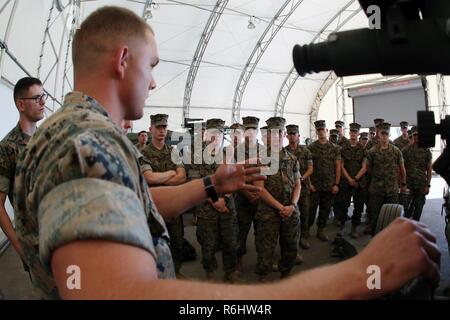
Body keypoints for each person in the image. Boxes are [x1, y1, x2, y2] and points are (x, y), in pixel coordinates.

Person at [14, 6, 440, 300]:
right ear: (124, 60)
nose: (155, 83)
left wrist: (210, 183)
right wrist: (358, 276)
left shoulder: (85, 134)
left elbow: (137, 202)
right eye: (154, 65)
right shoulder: (84, 143)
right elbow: (122, 294)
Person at [0, 77, 46, 259]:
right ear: (21, 105)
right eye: (36, 98)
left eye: (43, 96)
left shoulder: (47, 137)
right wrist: (20, 248)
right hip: (34, 244)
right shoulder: (7, 148)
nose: (42, 102)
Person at [192, 119, 240, 282]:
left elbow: (235, 182)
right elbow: (196, 183)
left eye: (219, 134)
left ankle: (230, 271)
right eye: (212, 134)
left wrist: (224, 200)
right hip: (207, 209)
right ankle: (209, 272)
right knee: (208, 244)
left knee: (230, 242)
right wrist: (215, 201)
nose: (215, 137)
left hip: (227, 208)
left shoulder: (229, 155)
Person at [254, 117, 301, 282]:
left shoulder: (292, 158)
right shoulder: (260, 159)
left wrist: (292, 205)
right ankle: (263, 279)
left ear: (285, 135)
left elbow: (298, 184)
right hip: (269, 211)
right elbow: (259, 189)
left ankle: (285, 275)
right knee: (266, 249)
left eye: (280, 133)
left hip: (290, 210)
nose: (276, 136)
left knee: (290, 247)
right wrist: (281, 207)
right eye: (273, 133)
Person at [141, 114, 187, 278]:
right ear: (150, 129)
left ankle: (177, 273)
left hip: (173, 206)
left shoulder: (173, 151)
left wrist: (160, 180)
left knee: (176, 242)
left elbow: (182, 177)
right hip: (153, 208)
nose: (161, 131)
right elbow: (149, 178)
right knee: (153, 243)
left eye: (164, 127)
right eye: (158, 127)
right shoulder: (143, 152)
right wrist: (170, 173)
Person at [234, 116, 263, 273]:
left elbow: (267, 174)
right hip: (242, 197)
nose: (250, 132)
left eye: (253, 129)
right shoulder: (236, 152)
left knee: (262, 231)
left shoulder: (264, 150)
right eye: (248, 129)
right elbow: (232, 177)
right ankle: (238, 261)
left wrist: (258, 193)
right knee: (240, 231)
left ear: (257, 131)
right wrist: (247, 193)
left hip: (260, 197)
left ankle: (263, 260)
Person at [366, 122, 407, 233]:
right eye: (382, 134)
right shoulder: (372, 151)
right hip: (376, 190)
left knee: (392, 217)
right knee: (375, 216)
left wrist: (403, 184)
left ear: (389, 135)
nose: (384, 136)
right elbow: (368, 169)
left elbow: (402, 169)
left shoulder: (396, 151)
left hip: (391, 189)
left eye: (386, 134)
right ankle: (376, 240)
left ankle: (390, 241)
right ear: (378, 134)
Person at [307, 120, 341, 241]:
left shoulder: (335, 148)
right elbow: (308, 168)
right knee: (310, 210)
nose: (321, 132)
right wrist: (309, 184)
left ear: (326, 131)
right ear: (316, 132)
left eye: (323, 130)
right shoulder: (311, 148)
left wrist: (336, 184)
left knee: (325, 209)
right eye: (319, 130)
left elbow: (338, 167)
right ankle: (305, 231)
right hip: (315, 185)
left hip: (329, 184)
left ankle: (321, 230)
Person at [334, 123, 368, 238]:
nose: (353, 134)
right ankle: (342, 226)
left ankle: (354, 228)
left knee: (358, 206)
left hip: (359, 181)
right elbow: (341, 166)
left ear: (358, 134)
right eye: (352, 132)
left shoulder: (363, 149)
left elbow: (364, 166)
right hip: (346, 181)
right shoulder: (343, 148)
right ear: (349, 133)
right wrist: (349, 179)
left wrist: (356, 178)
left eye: (355, 132)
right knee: (344, 205)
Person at [285, 124, 313, 250]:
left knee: (305, 212)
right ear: (286, 136)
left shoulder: (305, 151)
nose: (292, 136)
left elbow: (311, 168)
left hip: (303, 187)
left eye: (294, 134)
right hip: (289, 188)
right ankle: (292, 238)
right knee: (291, 214)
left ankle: (304, 236)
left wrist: (301, 179)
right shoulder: (284, 151)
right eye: (289, 134)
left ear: (298, 136)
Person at [401, 126, 432, 221]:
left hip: (421, 184)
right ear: (412, 135)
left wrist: (428, 185)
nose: (417, 137)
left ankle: (415, 225)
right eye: (415, 135)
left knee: (419, 207)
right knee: (406, 208)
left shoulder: (426, 151)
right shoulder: (405, 150)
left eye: (419, 135)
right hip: (409, 183)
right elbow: (402, 168)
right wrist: (402, 184)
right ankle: (407, 227)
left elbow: (429, 169)